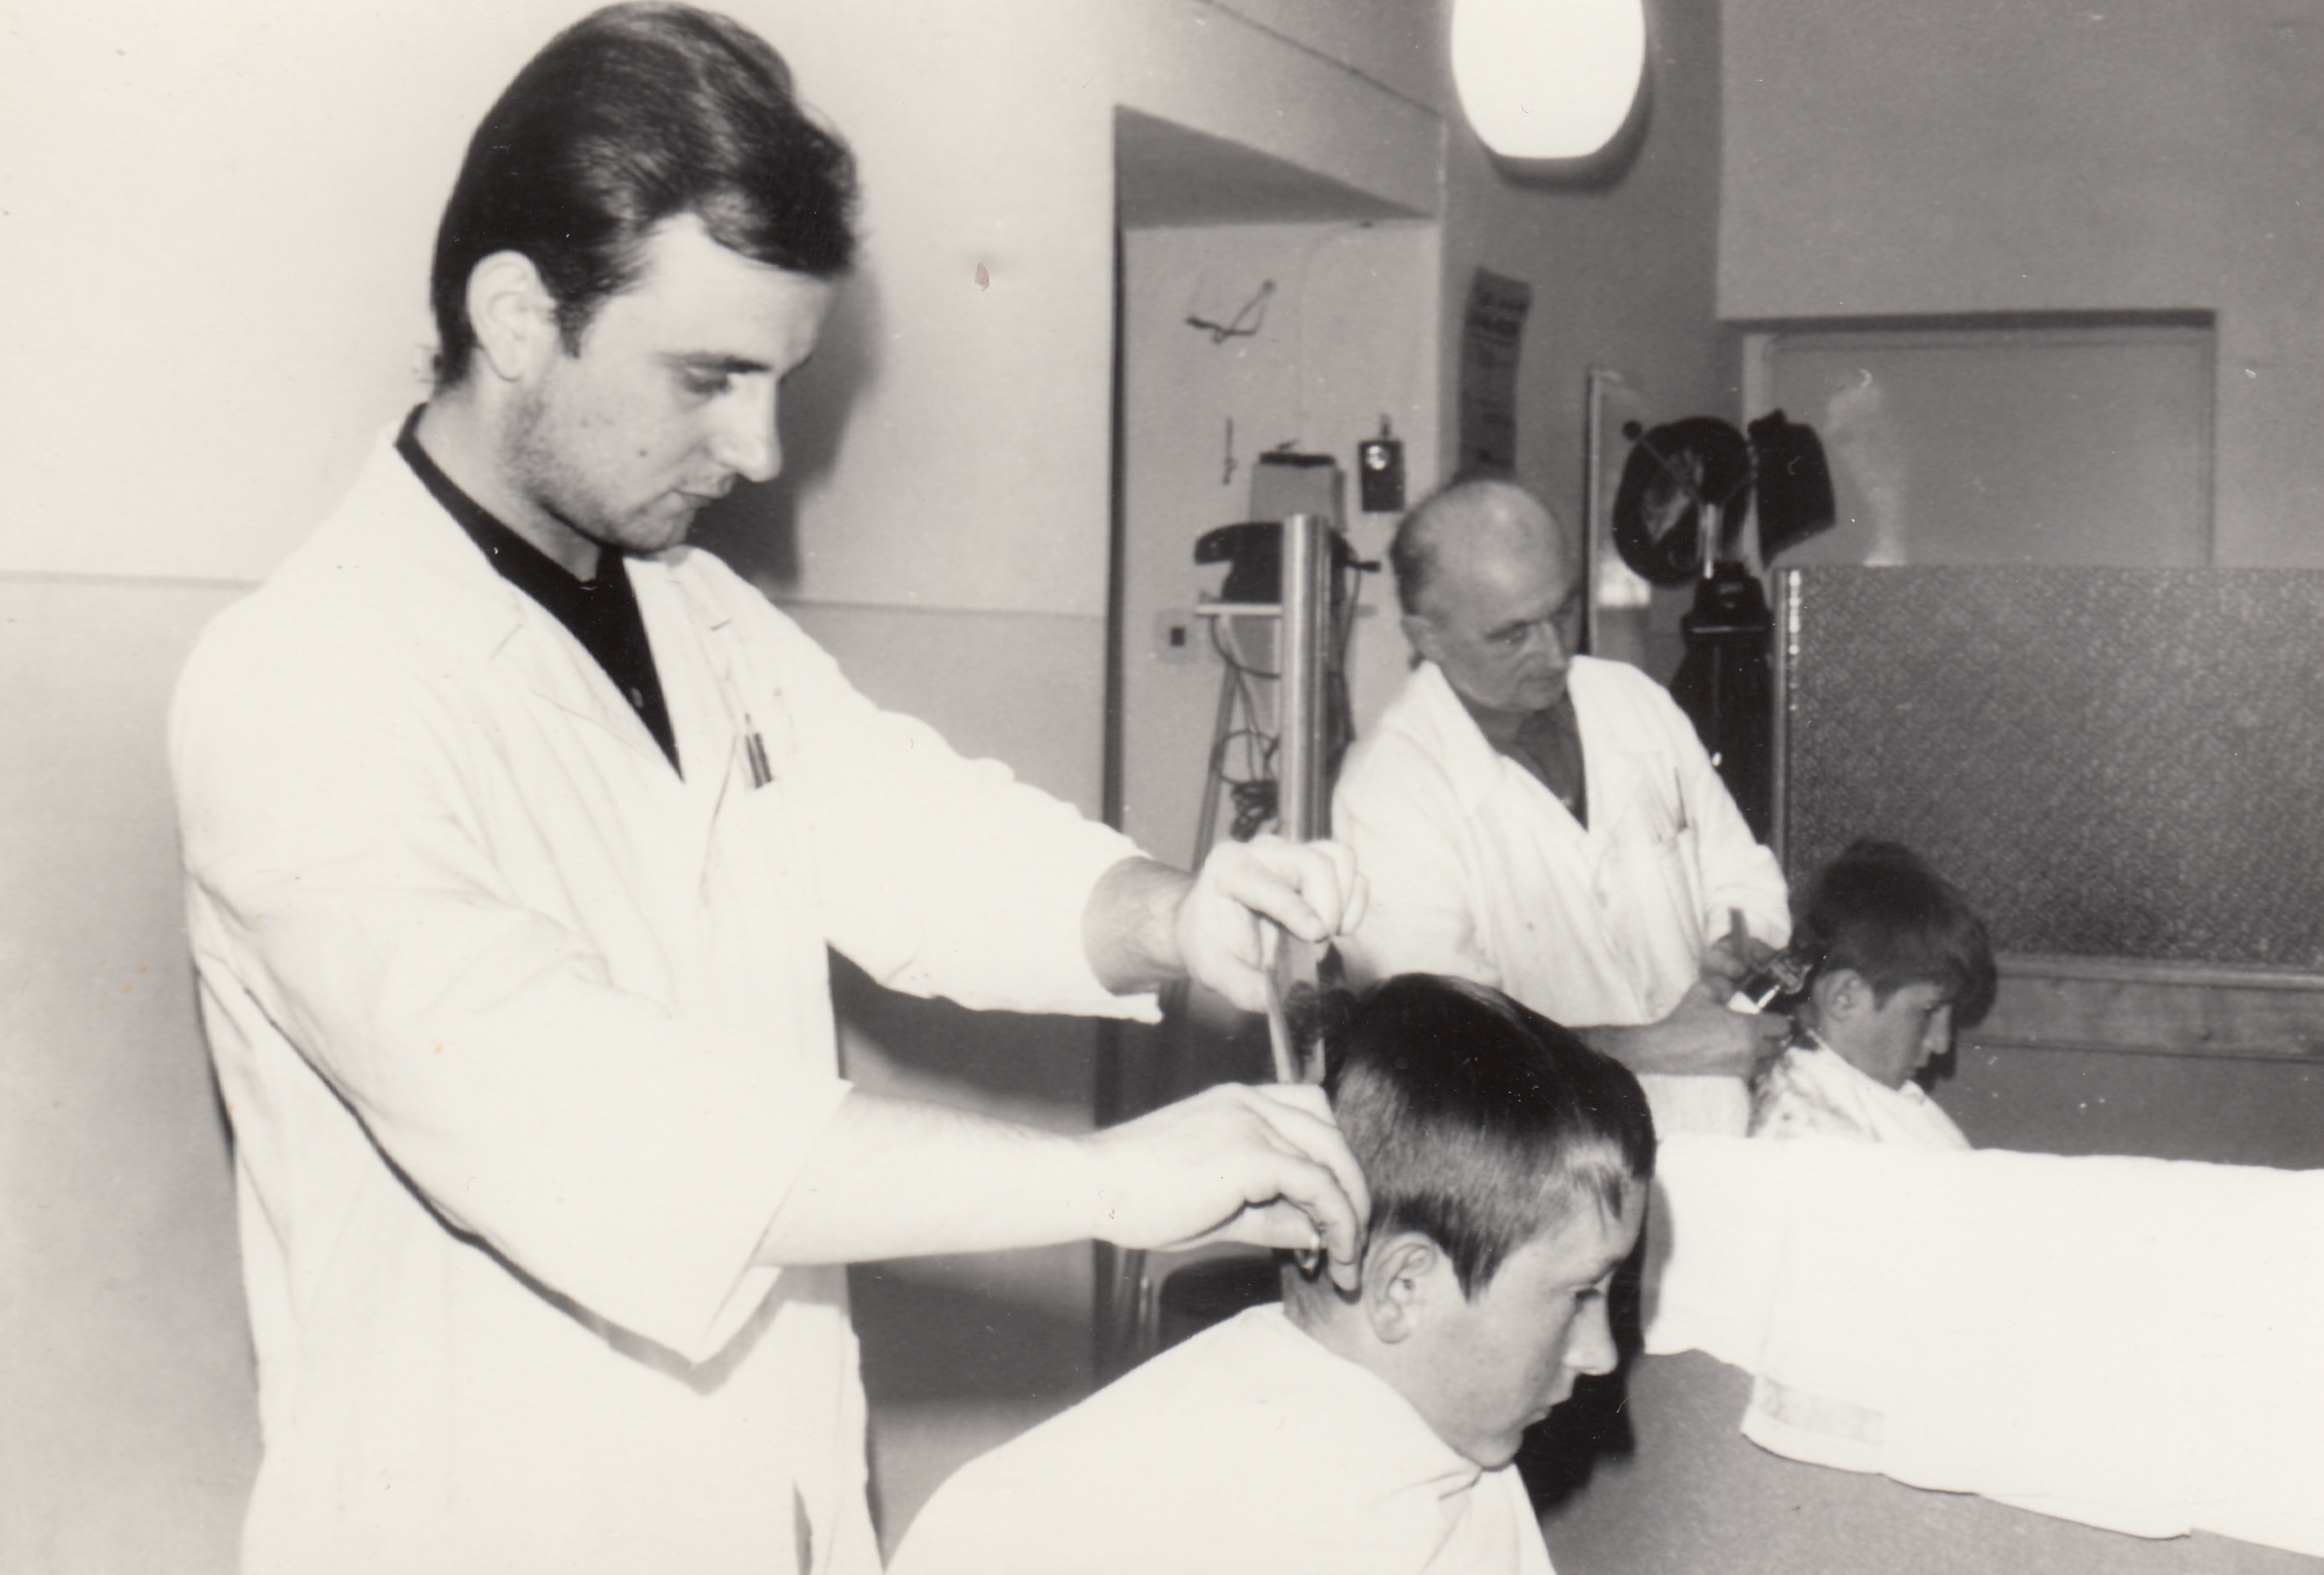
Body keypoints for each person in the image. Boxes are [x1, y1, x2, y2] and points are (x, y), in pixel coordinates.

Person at [168, 8, 1370, 1572]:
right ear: (517, 315)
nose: (757, 448)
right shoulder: (301, 683)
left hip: (764, 1496)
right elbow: (590, 1123)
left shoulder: (695, 613)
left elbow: (917, 836)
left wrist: (1172, 914)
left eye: (778, 379)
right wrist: (1103, 1178)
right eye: (709, 377)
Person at [887, 974, 1656, 1575]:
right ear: (1405, 1287)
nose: (1600, 1353)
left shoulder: (1447, 1441)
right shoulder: (1161, 1526)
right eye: (1579, 1294)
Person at [1332, 474, 1792, 1134]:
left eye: (1563, 611)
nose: (1554, 652)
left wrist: (1733, 943)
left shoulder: (1633, 701)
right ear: (1427, 636)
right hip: (1549, 1155)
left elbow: (1740, 873)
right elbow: (1445, 1047)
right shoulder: (1389, 792)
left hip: (1713, 1130)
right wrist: (1658, 1048)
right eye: (1512, 634)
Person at [1749, 839, 1996, 1148]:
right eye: (1928, 1012)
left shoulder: (1875, 1093)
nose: (1941, 1043)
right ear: (1845, 997)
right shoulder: (1809, 1133)